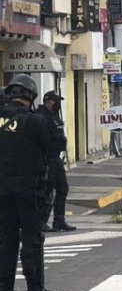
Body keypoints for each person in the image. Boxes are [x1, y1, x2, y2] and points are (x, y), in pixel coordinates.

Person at [0, 74, 61, 291]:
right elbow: (54, 149)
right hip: (28, 188)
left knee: (6, 238)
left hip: (2, 187)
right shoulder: (35, 121)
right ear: (31, 96)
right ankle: (35, 290)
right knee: (32, 237)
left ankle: (4, 289)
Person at [33, 94, 73, 234]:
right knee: (45, 191)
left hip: (56, 157)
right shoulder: (39, 117)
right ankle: (41, 221)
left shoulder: (55, 116)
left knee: (62, 188)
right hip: (45, 158)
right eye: (55, 101)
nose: (57, 104)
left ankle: (59, 220)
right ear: (47, 102)